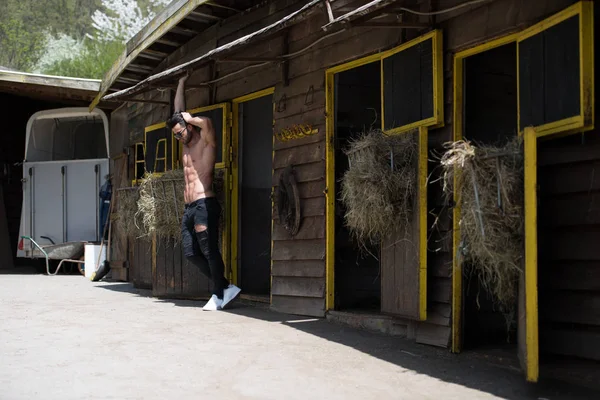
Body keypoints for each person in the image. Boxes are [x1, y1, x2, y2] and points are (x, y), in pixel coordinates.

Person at [166, 73, 241, 311]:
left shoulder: (205, 141)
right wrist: (181, 84)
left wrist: (189, 117)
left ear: (190, 125)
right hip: (189, 207)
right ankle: (226, 287)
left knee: (209, 250)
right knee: (190, 252)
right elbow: (178, 111)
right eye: (176, 135)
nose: (179, 137)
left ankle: (218, 295)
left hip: (204, 204)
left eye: (181, 132)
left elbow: (206, 122)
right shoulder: (186, 144)